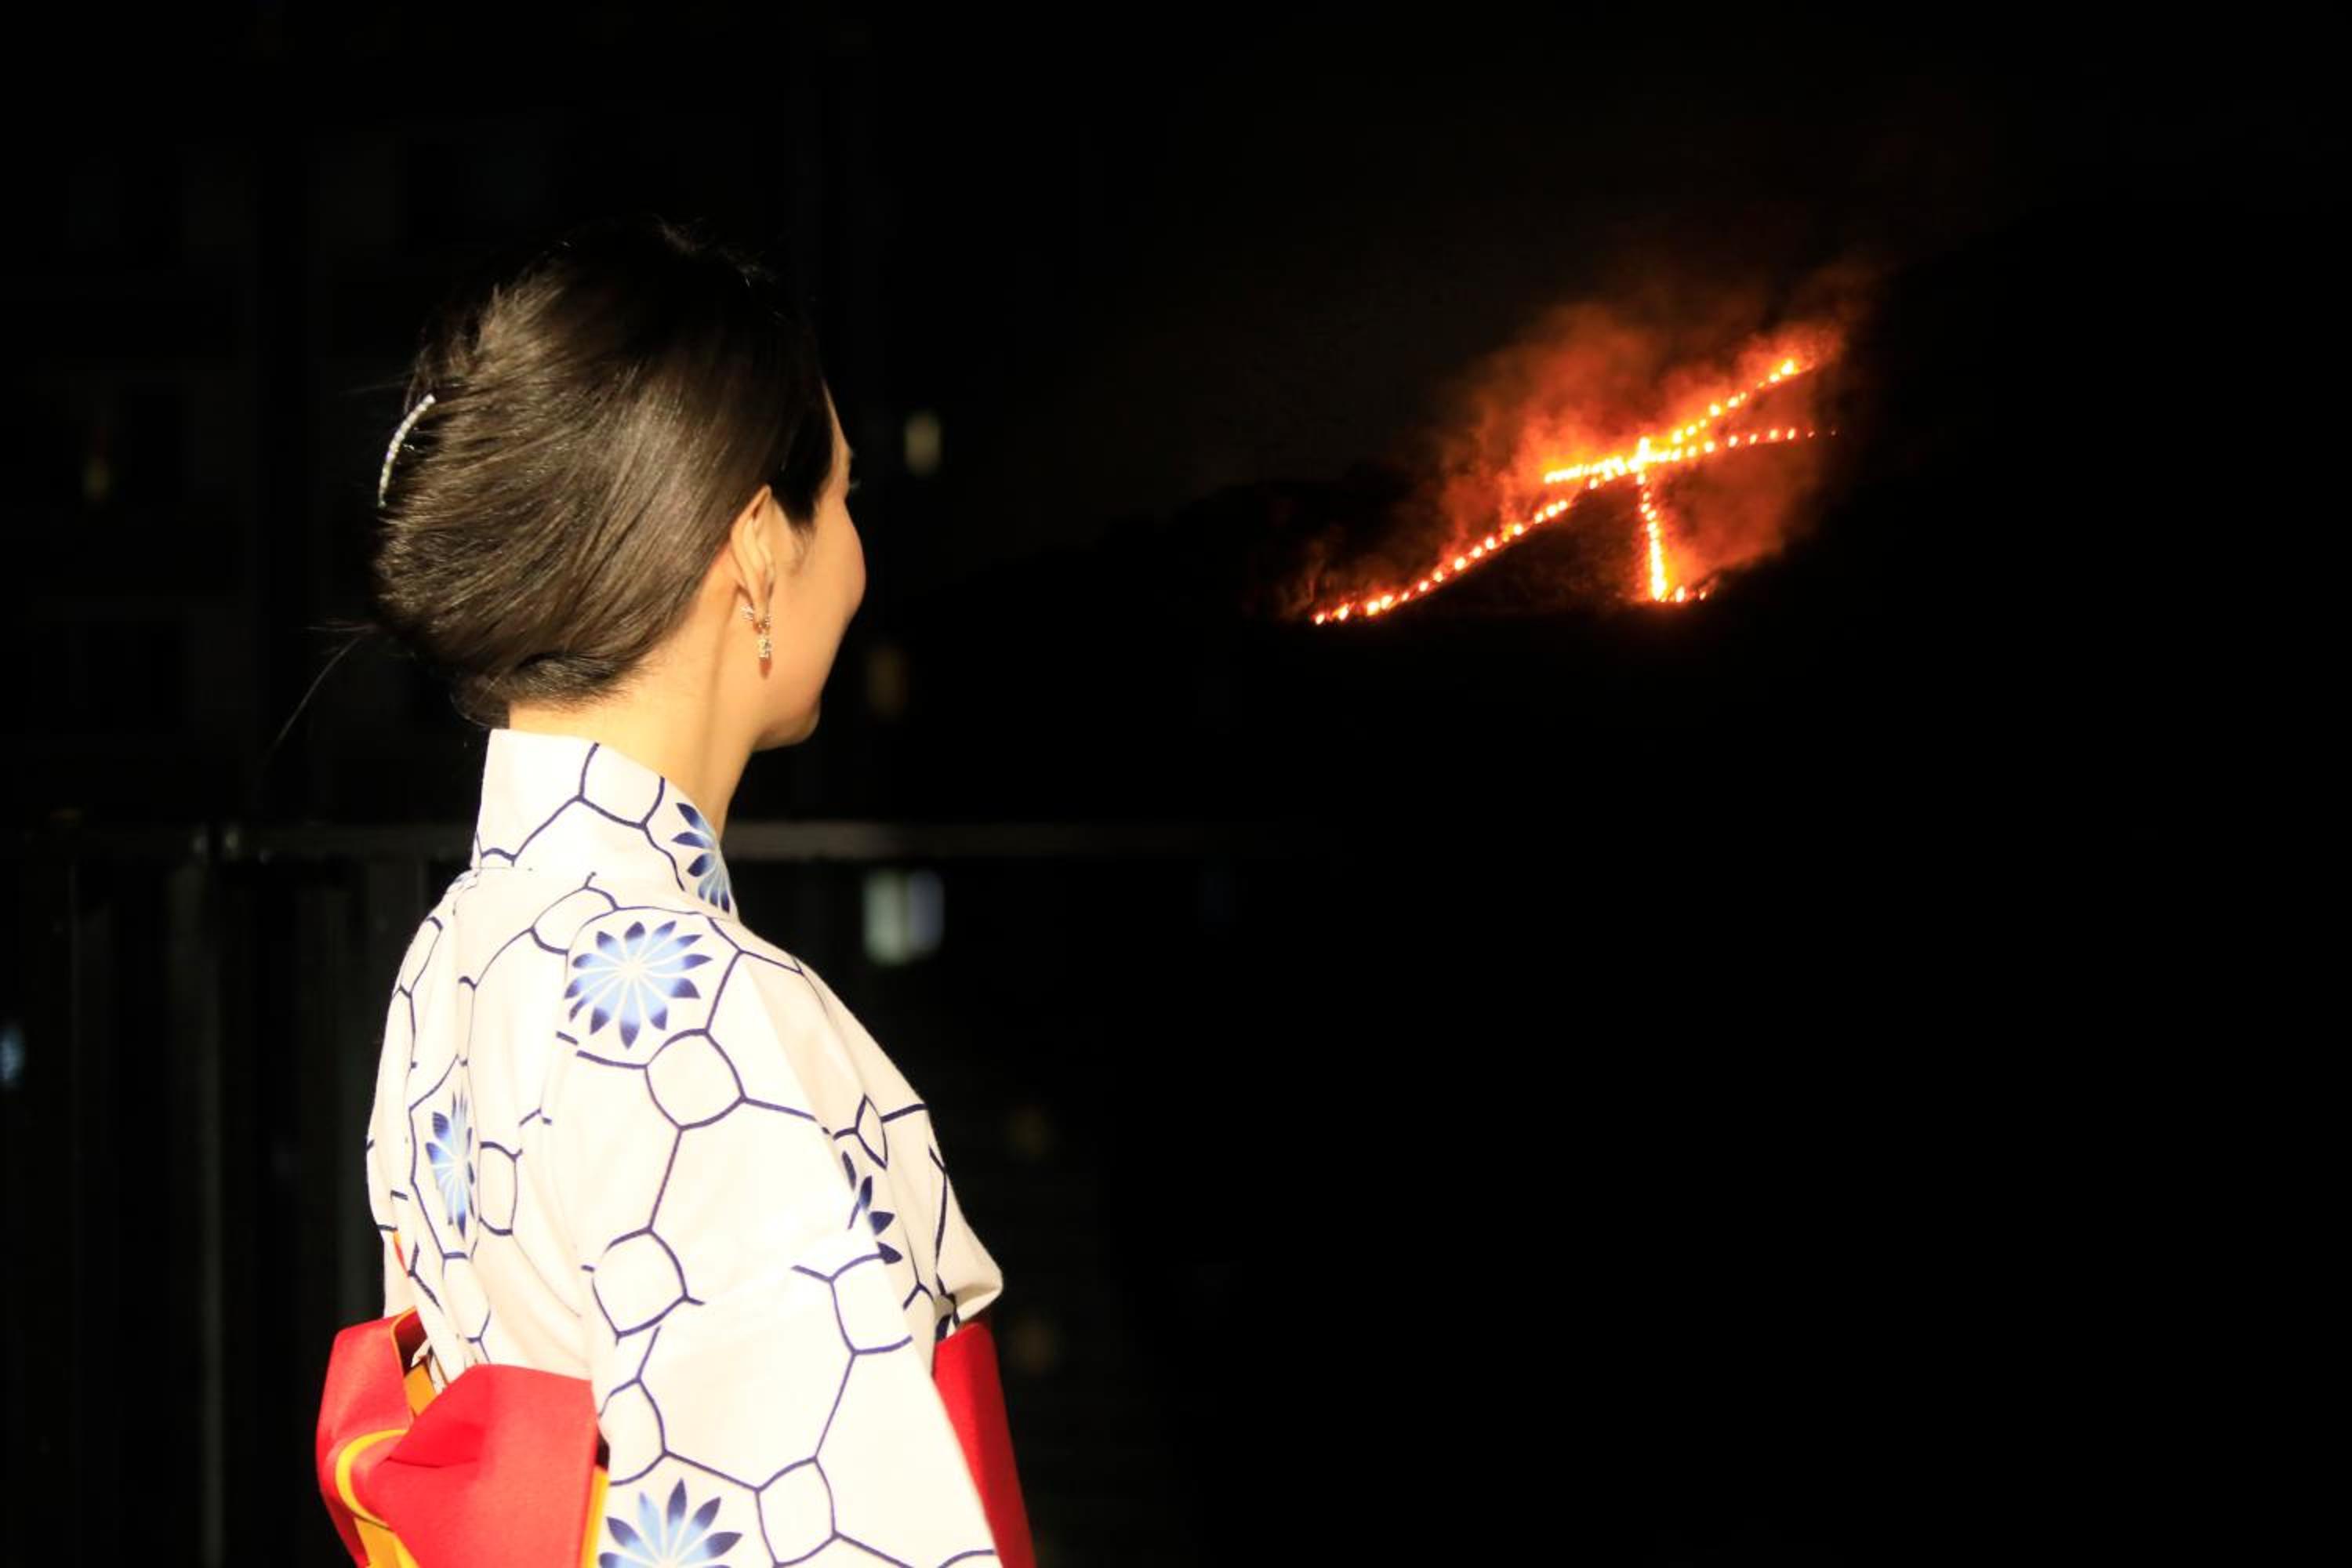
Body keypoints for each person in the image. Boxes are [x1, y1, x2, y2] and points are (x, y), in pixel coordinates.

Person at [326, 212, 1032, 1567]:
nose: (857, 557)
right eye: (846, 499)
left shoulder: (458, 943)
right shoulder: (691, 1012)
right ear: (759, 545)